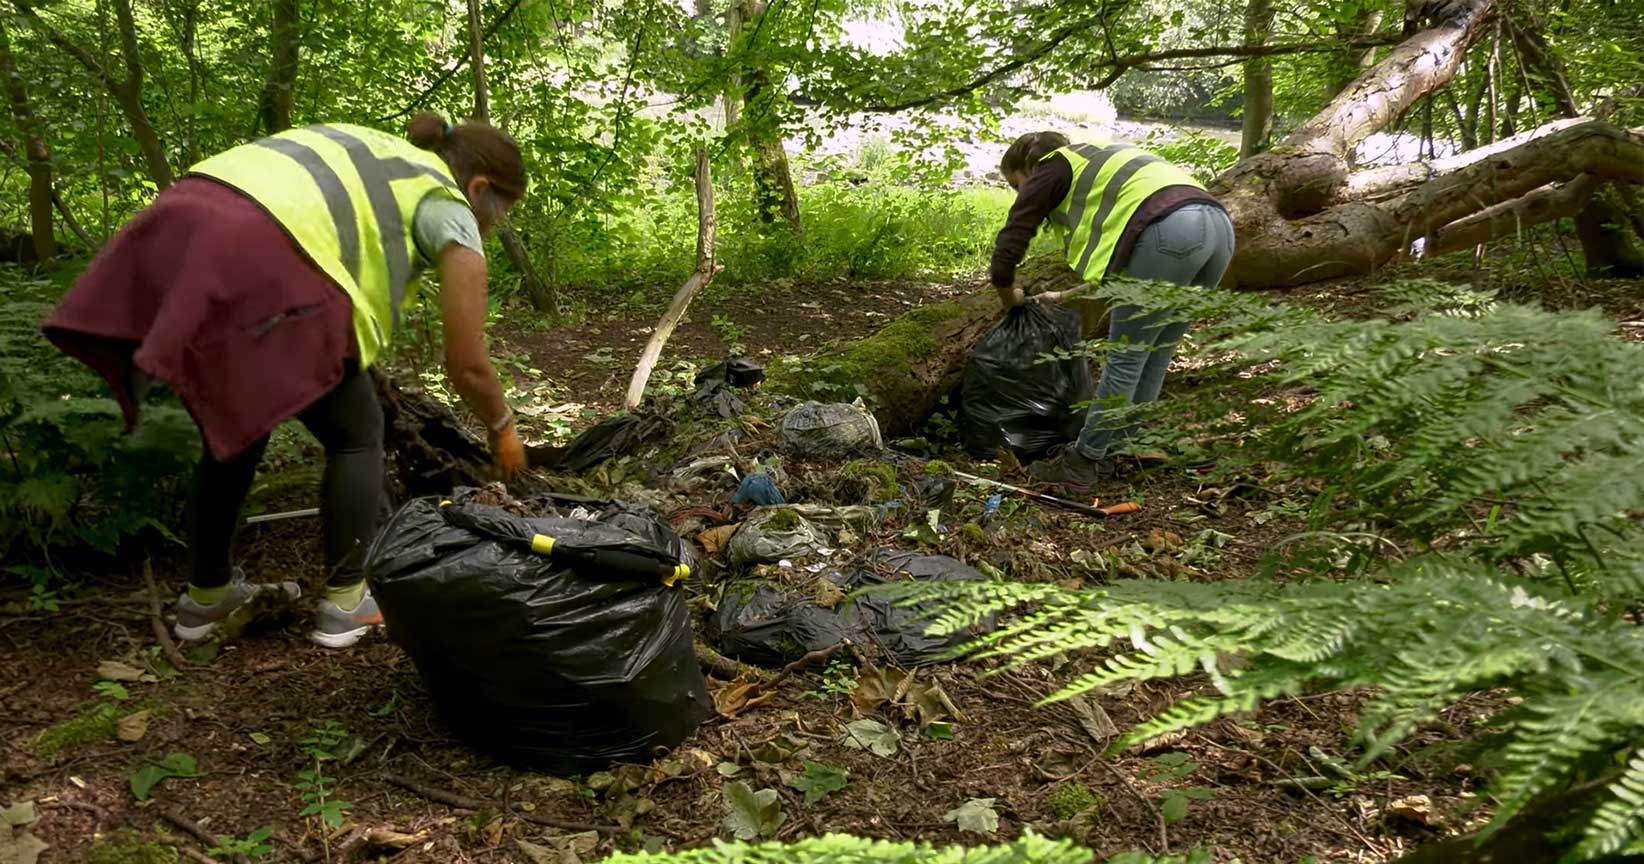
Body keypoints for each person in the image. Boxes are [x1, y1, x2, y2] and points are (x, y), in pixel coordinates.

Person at [43, 112, 528, 648]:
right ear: (480, 187)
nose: (495, 224)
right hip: (264, 252)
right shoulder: (445, 201)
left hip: (177, 226)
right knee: (357, 433)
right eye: (501, 211)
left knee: (238, 426)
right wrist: (502, 426)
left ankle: (206, 599)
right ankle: (348, 603)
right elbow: (466, 360)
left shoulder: (377, 150)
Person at [989, 130, 1235, 493]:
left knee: (1126, 359)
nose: (1021, 192)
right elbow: (1135, 248)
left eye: (1016, 184)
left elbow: (1012, 239)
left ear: (1027, 166)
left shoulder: (1052, 167)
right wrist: (1067, 293)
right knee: (1155, 353)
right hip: (1218, 231)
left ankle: (1082, 463)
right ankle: (1120, 446)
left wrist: (1008, 296)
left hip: (1172, 229)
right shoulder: (1099, 158)